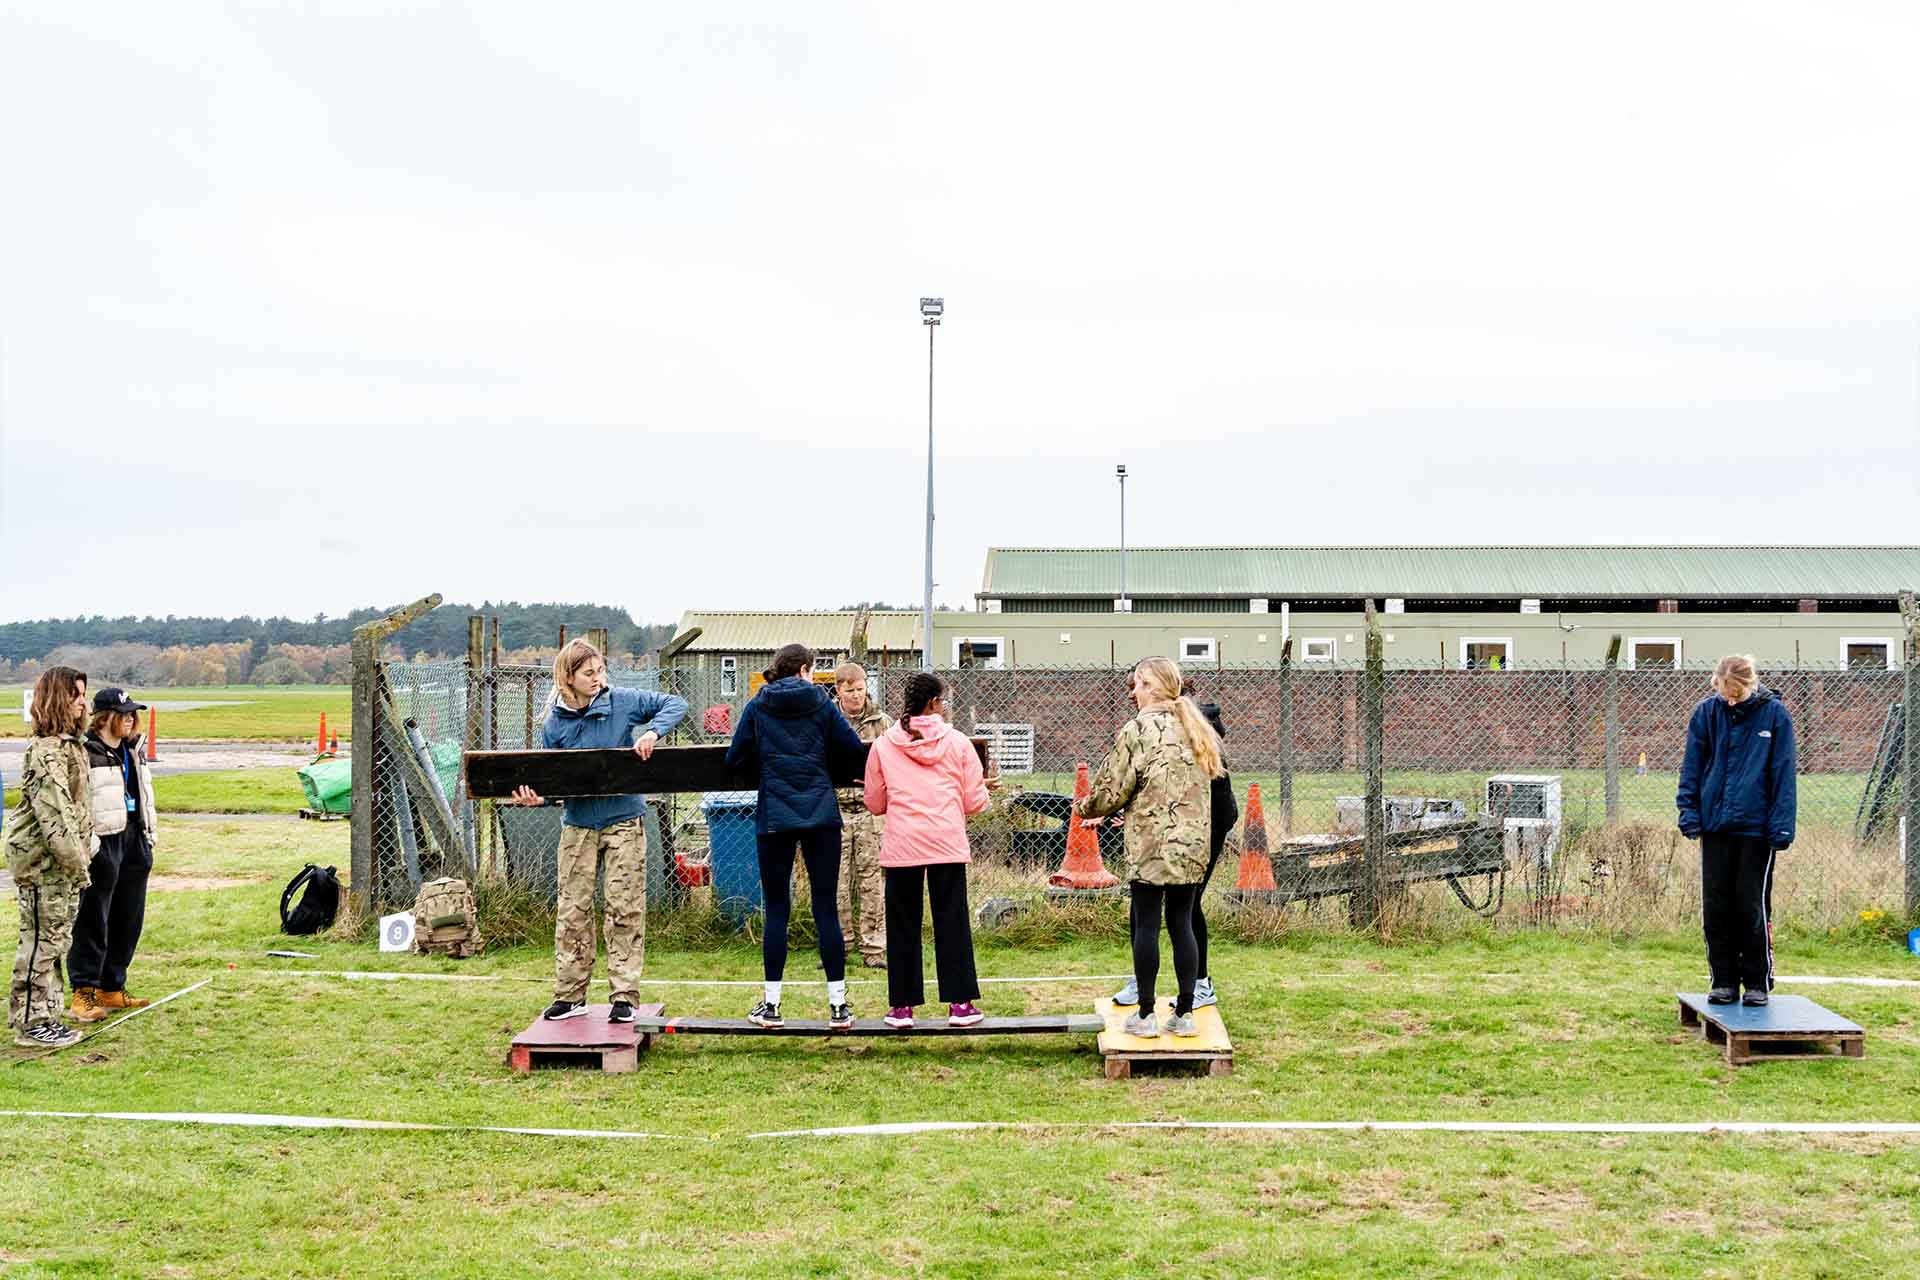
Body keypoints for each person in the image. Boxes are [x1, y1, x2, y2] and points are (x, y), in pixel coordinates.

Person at [510, 640, 687, 1024]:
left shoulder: (622, 701)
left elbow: (676, 704)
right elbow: (554, 783)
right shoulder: (554, 723)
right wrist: (535, 798)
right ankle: (570, 994)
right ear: (567, 678)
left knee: (623, 908)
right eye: (589, 673)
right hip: (578, 826)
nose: (598, 679)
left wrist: (653, 733)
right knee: (573, 910)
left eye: (600, 671)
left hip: (624, 819)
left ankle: (624, 994)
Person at [1075, 656, 1223, 1039]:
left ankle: (1145, 1013)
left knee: (1146, 924)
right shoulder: (1196, 728)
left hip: (1152, 844)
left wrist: (1087, 808)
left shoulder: (1139, 729)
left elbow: (1114, 786)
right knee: (1181, 922)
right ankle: (1186, 1012)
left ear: (1153, 686)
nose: (1133, 692)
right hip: (1192, 843)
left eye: (1137, 684)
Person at [726, 643, 867, 1030]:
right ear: (805, 670)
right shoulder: (821, 704)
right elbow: (853, 749)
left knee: (777, 910)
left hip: (776, 816)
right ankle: (838, 1006)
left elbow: (734, 757)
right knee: (826, 909)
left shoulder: (758, 705)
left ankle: (771, 1005)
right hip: (821, 815)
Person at [863, 671, 992, 1029]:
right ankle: (960, 1004)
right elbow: (973, 801)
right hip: (946, 842)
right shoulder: (958, 743)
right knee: (951, 922)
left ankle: (902, 1007)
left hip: (903, 842)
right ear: (934, 703)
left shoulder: (884, 745)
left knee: (903, 924)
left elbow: (874, 802)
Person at [1676, 653, 1797, 1007]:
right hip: (1715, 826)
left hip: (1757, 830)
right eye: (1724, 693)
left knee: (1751, 903)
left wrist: (1782, 825)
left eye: (1736, 694)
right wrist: (1689, 811)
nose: (1729, 700)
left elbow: (1783, 773)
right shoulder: (1706, 714)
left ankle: (1758, 981)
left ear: (1749, 685)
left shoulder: (1775, 716)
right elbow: (1692, 767)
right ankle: (1723, 980)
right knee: (1716, 904)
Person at [1113, 681, 1238, 1011]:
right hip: (1165, 823)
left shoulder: (1196, 726)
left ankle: (1200, 985)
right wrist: (1129, 808)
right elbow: (1148, 779)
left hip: (1203, 825)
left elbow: (1207, 791)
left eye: (1137, 684)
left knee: (1185, 906)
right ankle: (1143, 984)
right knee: (1145, 907)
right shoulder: (1150, 726)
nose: (1131, 692)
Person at [5, 667, 94, 1049]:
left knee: (56, 940)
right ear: (58, 698)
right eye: (75, 695)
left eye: (83, 694)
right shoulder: (46, 752)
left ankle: (47, 1013)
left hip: (63, 865)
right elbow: (54, 816)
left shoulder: (69, 745)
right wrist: (79, 865)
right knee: (41, 941)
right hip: (44, 865)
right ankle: (30, 1022)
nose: (82, 702)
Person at [68, 688, 158, 1023]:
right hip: (104, 842)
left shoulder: (133, 750)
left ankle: (112, 986)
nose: (131, 719)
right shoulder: (85, 752)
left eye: (133, 714)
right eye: (124, 714)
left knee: (129, 917)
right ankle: (84, 993)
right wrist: (92, 847)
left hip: (134, 838)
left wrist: (148, 838)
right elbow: (78, 803)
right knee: (93, 920)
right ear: (105, 716)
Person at [833, 662, 892, 969]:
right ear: (838, 690)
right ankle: (838, 945)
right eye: (849, 690)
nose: (856, 696)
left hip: (871, 812)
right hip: (836, 809)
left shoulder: (882, 722)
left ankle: (874, 948)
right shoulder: (827, 720)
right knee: (836, 882)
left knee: (872, 881)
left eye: (860, 689)